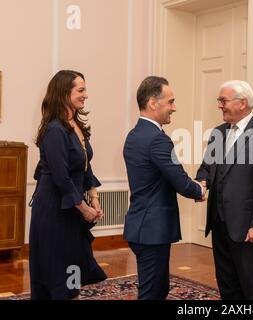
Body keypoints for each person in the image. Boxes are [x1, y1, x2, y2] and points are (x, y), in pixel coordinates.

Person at [196, 80, 253, 300]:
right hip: (219, 223)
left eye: (223, 100)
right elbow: (206, 168)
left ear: (242, 103)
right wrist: (202, 181)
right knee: (227, 284)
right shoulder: (218, 133)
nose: (219, 105)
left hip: (248, 229)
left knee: (252, 286)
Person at [123, 76, 205, 300]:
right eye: (170, 102)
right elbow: (179, 181)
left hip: (141, 225)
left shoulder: (134, 135)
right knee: (153, 293)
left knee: (155, 289)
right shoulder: (157, 139)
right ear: (152, 102)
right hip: (152, 229)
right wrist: (200, 190)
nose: (174, 108)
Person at [29, 70, 106, 300]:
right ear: (64, 93)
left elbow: (85, 165)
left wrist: (94, 199)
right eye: (80, 90)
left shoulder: (76, 125)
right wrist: (85, 210)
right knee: (56, 274)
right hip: (54, 210)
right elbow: (61, 178)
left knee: (72, 271)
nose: (86, 95)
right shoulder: (54, 129)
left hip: (72, 208)